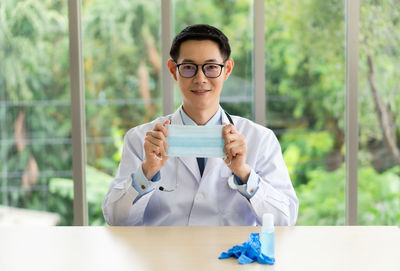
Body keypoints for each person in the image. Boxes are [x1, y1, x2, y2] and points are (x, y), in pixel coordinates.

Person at [102, 24, 298, 226]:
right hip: (163, 256)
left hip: (231, 256)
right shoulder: (141, 139)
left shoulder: (260, 139)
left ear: (227, 69)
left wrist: (244, 174)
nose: (200, 78)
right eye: (188, 67)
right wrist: (147, 172)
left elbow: (285, 220)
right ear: (173, 70)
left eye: (211, 67)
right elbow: (116, 219)